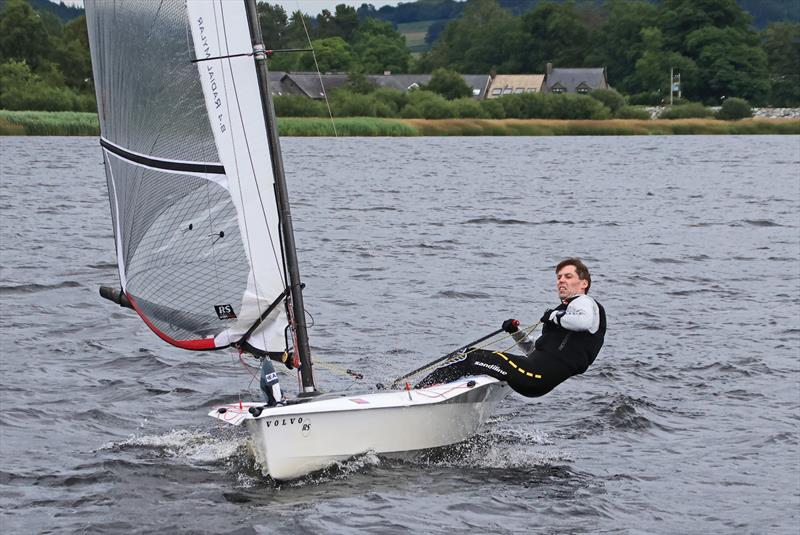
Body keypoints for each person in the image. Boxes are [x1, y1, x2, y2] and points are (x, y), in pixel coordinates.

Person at [416, 258, 606, 397]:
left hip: (536, 375)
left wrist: (552, 315)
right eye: (558, 277)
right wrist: (516, 332)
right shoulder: (564, 317)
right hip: (534, 376)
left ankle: (418, 392)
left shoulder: (584, 302)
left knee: (470, 356)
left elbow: (584, 322)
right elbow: (532, 349)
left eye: (568, 276)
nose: (561, 280)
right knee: (472, 358)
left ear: (583, 283)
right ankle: (437, 391)